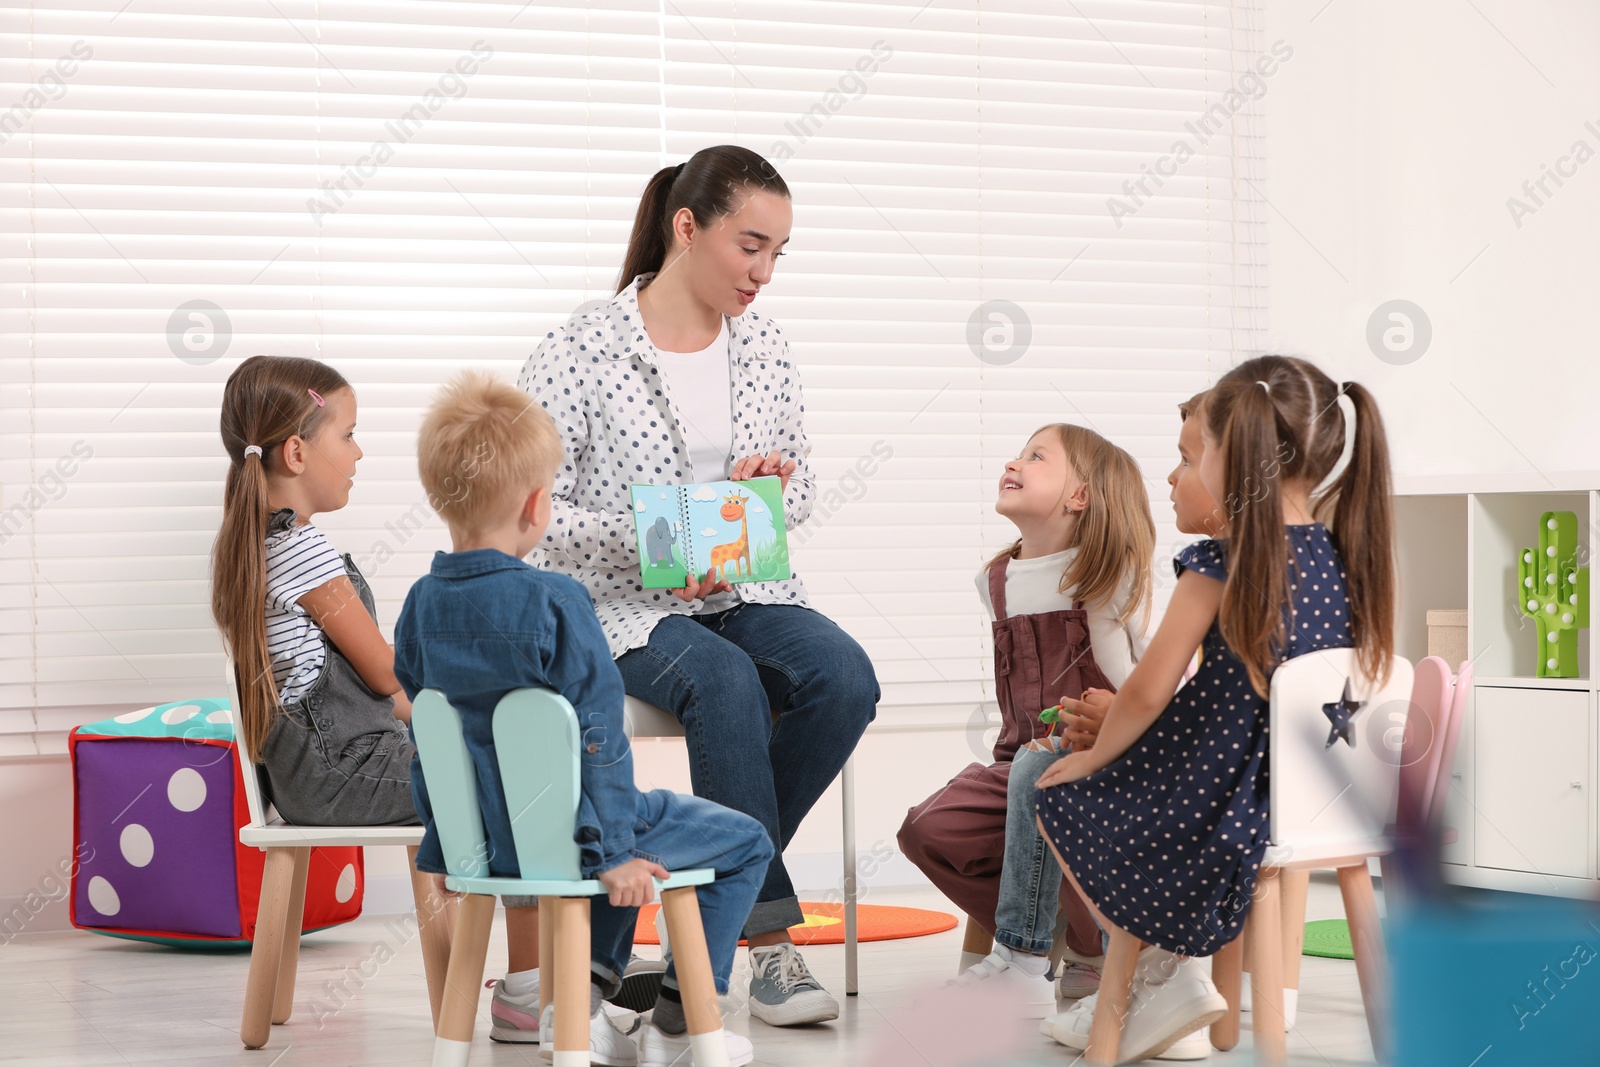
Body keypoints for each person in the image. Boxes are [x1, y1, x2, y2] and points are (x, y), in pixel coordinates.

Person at [517, 144, 878, 1026]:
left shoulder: (765, 347)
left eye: (778, 253)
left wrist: (767, 493)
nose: (764, 272)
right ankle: (759, 949)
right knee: (722, 685)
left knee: (845, 677)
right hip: (618, 603)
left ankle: (685, 911)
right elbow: (524, 512)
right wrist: (659, 538)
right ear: (687, 227)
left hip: (744, 591)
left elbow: (799, 486)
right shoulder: (584, 347)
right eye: (750, 245)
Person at [395, 372, 773, 1067]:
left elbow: (428, 738)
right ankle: (682, 1020)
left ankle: (582, 1005)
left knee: (619, 820)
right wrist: (613, 855)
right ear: (539, 504)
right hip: (572, 836)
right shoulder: (557, 599)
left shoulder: (419, 606)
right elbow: (600, 738)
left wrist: (447, 849)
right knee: (745, 841)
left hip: (486, 844)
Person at [1035, 357, 1395, 1061]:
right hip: (1328, 798)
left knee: (1058, 796)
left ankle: (1161, 974)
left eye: (1200, 453)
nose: (1191, 470)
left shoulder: (1221, 561)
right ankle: (1174, 979)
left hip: (1229, 803)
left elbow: (1147, 689)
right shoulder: (1347, 555)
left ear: (1241, 452)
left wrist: (1093, 753)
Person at [897, 423, 1154, 1018]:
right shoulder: (997, 582)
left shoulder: (1107, 578)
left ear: (1079, 497)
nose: (1015, 461)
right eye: (1019, 452)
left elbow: (1160, 678)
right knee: (928, 830)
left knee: (1042, 767)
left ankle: (1030, 958)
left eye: (1037, 456)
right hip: (1015, 764)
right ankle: (1076, 938)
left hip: (1102, 769)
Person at [210, 354, 416, 826]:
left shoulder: (262, 544)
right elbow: (386, 675)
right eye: (348, 435)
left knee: (471, 748)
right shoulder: (301, 549)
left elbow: (378, 693)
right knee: (503, 775)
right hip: (341, 771)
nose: (358, 452)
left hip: (313, 777)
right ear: (297, 453)